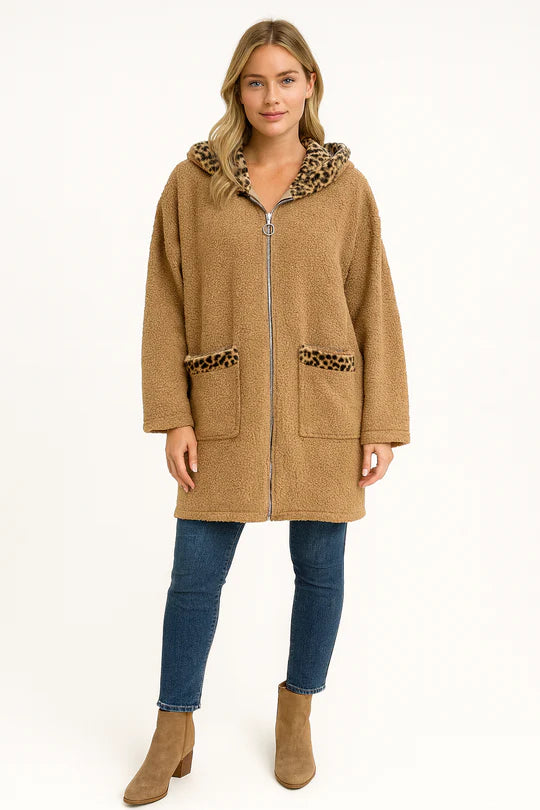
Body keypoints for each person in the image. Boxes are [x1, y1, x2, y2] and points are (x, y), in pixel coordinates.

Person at [123, 17, 410, 806]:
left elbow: (374, 304)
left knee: (320, 572)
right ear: (237, 91)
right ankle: (173, 728)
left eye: (286, 79)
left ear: (310, 85)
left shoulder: (346, 189)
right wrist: (173, 415)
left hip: (326, 407)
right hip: (223, 408)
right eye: (256, 81)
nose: (271, 96)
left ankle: (296, 714)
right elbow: (164, 302)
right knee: (194, 576)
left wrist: (382, 422)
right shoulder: (194, 183)